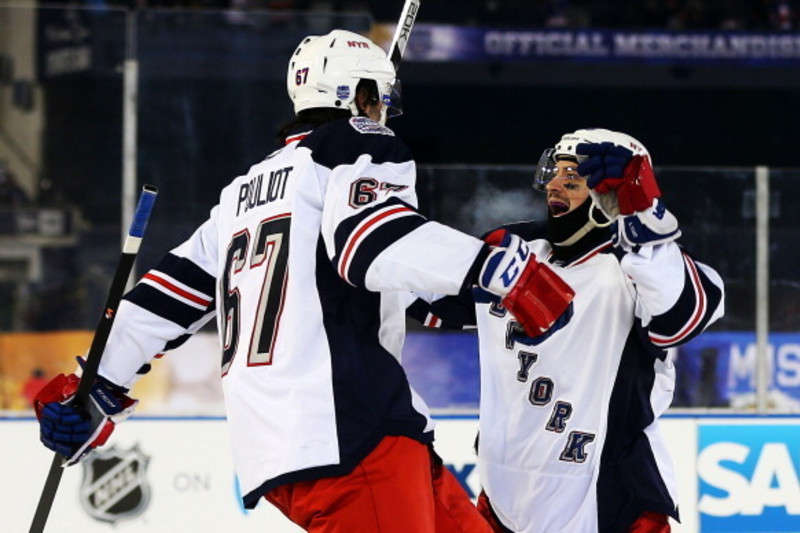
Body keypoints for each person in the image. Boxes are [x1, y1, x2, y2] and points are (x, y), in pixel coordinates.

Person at [32, 30, 575, 533]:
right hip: (353, 432)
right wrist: (505, 273)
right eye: (379, 97)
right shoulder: (357, 144)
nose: (384, 111)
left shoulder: (240, 195)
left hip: (284, 450)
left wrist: (90, 394)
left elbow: (161, 300)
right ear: (358, 94)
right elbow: (371, 241)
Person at [408, 128, 725, 533]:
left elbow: (683, 315)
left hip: (609, 497)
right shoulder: (512, 248)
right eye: (554, 172)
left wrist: (641, 218)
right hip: (505, 494)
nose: (555, 185)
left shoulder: (642, 268)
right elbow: (423, 295)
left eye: (573, 178)